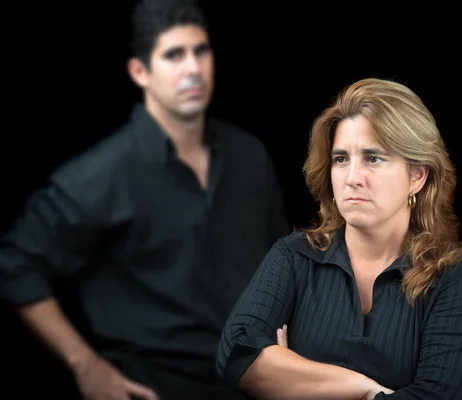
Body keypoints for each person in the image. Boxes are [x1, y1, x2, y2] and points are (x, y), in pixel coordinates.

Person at [0, 0, 289, 399]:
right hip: (157, 387)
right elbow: (14, 263)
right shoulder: (101, 175)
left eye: (201, 51)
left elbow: (283, 264)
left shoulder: (249, 155)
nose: (193, 68)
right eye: (174, 55)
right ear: (140, 72)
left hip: (257, 384)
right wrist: (86, 365)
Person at [216, 77, 462, 399]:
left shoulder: (454, 280)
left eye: (373, 158)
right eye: (341, 159)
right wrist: (365, 391)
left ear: (417, 176)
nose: (352, 178)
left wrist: (294, 380)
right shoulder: (294, 257)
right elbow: (236, 354)